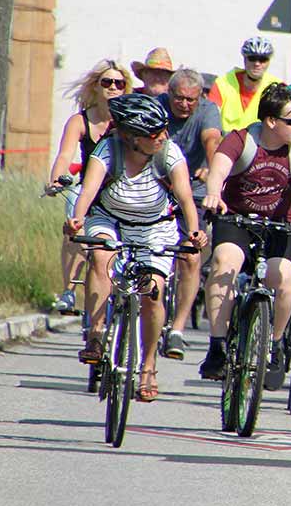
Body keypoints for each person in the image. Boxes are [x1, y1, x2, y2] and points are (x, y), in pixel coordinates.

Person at [66, 93, 205, 402]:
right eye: (153, 133)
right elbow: (88, 191)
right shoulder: (108, 150)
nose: (162, 137)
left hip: (155, 226)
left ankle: (148, 366)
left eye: (163, 130)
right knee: (100, 257)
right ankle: (97, 335)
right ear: (131, 138)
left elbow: (184, 197)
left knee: (153, 291)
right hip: (110, 217)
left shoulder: (168, 152)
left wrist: (194, 232)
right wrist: (76, 219)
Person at [197, 83, 291, 382]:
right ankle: (217, 346)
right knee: (224, 263)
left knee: (282, 277)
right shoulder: (242, 140)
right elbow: (218, 171)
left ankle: (274, 344)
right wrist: (214, 194)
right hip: (238, 218)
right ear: (271, 121)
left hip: (279, 223)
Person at [47, 59, 131, 313]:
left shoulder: (128, 121)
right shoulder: (80, 121)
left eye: (119, 83)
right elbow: (65, 156)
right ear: (96, 87)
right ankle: (70, 290)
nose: (113, 87)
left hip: (120, 190)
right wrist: (56, 178)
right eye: (107, 82)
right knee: (75, 220)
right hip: (87, 188)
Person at [158, 68, 222, 358]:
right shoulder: (156, 107)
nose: (184, 104)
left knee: (190, 256)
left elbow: (212, 140)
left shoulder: (208, 112)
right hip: (157, 186)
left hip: (194, 191)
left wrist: (213, 173)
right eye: (179, 98)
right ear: (168, 94)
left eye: (191, 100)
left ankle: (178, 329)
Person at [207, 35, 284, 132]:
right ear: (244, 59)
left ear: (269, 62)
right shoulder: (222, 83)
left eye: (262, 59)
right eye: (252, 58)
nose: (257, 63)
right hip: (225, 143)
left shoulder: (277, 88)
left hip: (259, 144)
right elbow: (209, 120)